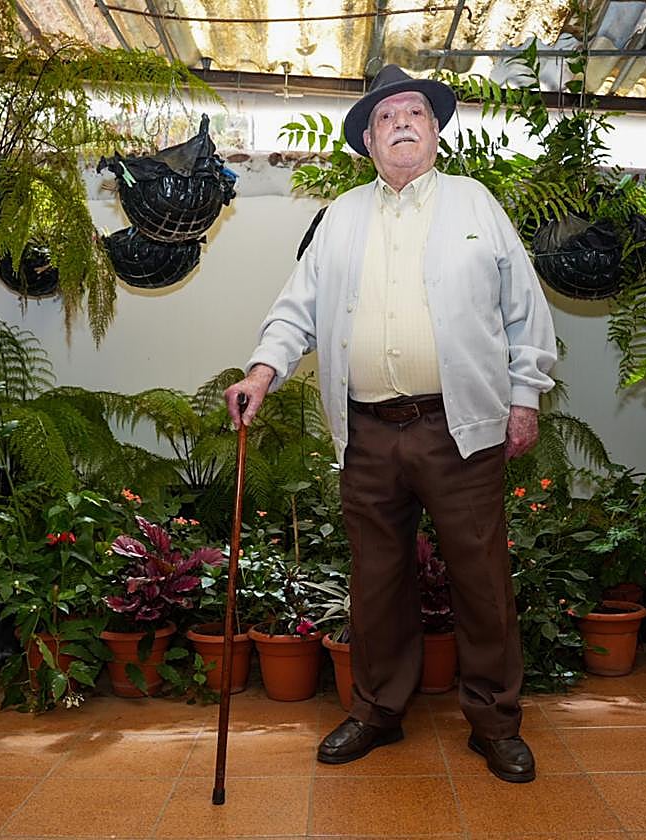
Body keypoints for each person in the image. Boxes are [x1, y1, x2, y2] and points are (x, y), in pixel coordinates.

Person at [223, 64, 557, 784]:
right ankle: (377, 711)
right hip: (367, 431)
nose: (402, 123)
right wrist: (261, 372)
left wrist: (524, 397)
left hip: (461, 426)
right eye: (386, 117)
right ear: (368, 141)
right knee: (375, 581)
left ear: (435, 130)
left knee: (482, 579)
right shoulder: (342, 216)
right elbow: (297, 310)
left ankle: (495, 723)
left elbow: (525, 310)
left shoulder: (476, 205)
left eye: (414, 112)